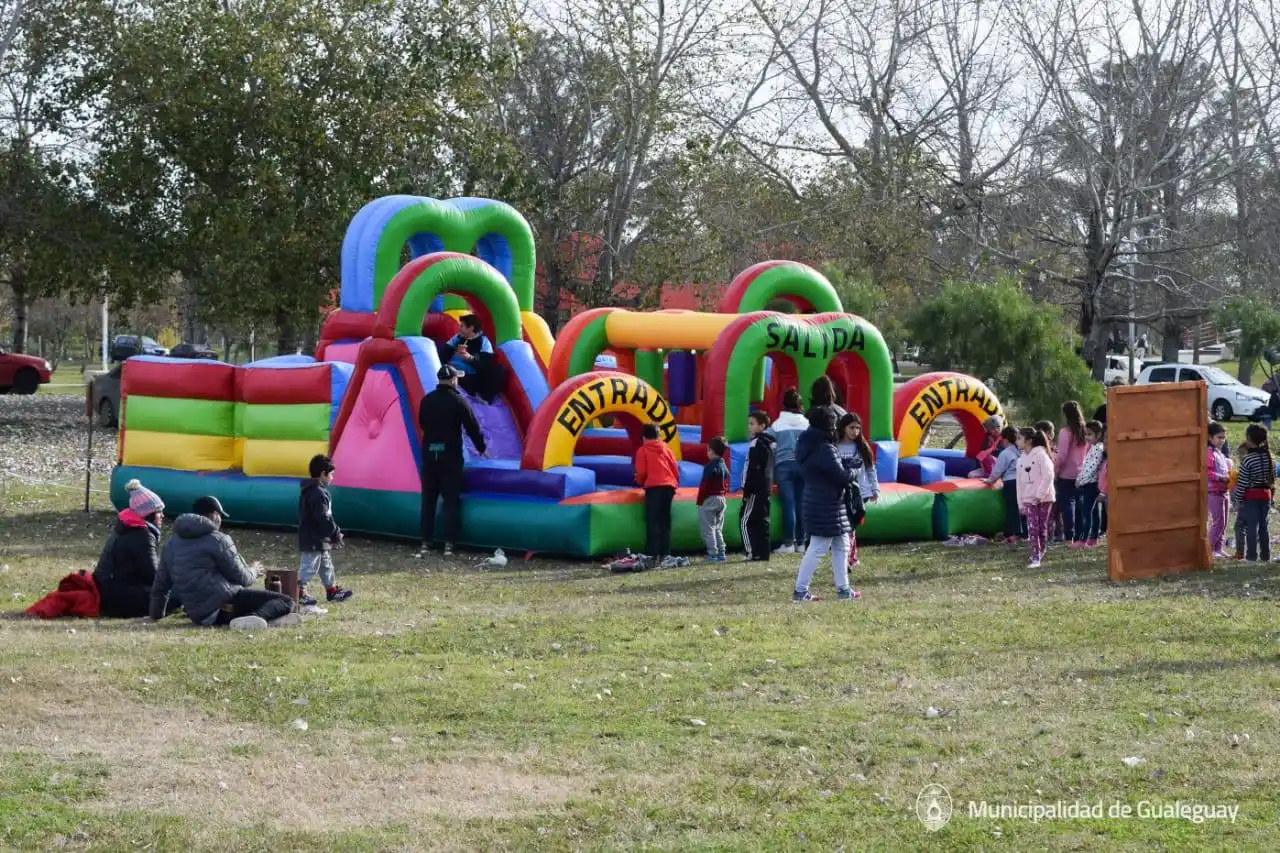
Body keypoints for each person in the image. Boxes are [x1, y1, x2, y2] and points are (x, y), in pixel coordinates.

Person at [149, 496, 299, 629]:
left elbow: (161, 586)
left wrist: (156, 615)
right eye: (220, 515)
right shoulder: (218, 539)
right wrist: (253, 570)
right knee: (285, 601)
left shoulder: (171, 543)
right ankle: (257, 618)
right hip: (223, 607)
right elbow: (243, 578)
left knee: (252, 601)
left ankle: (260, 619)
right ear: (214, 515)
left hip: (198, 615)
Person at [416, 364, 488, 558]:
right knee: (451, 500)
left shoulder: (427, 400)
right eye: (457, 378)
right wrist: (482, 449)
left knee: (428, 500)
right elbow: (472, 426)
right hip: (450, 458)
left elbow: (422, 423)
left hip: (430, 456)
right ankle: (449, 544)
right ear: (453, 380)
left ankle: (425, 542)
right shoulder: (458, 400)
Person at [793, 407, 860, 602]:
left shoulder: (807, 444)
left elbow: (828, 471)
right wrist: (855, 470)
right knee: (818, 547)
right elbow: (841, 477)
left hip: (819, 501)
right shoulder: (825, 448)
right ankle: (800, 590)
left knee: (842, 544)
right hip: (827, 504)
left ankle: (843, 589)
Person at [93, 480, 179, 618]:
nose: (162, 516)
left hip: (108, 592)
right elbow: (153, 575)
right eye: (159, 512)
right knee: (176, 595)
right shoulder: (142, 536)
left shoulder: (126, 528)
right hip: (118, 598)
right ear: (149, 514)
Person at [298, 455, 353, 605]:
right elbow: (324, 518)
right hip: (313, 538)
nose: (332, 478)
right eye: (331, 474)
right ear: (323, 474)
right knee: (309, 566)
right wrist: (336, 533)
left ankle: (332, 590)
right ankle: (299, 591)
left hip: (319, 538)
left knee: (325, 565)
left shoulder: (312, 490)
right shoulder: (318, 494)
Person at [768, 389, 809, 554]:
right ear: (800, 405)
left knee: (789, 504)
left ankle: (788, 543)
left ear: (783, 405)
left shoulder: (777, 425)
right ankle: (801, 542)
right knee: (801, 504)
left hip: (784, 466)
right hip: (803, 466)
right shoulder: (807, 424)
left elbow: (770, 446)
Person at [635, 422, 680, 566]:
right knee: (665, 520)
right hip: (669, 486)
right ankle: (665, 552)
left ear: (643, 437)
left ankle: (652, 552)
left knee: (652, 520)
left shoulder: (643, 450)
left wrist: (639, 481)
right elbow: (675, 467)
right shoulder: (666, 448)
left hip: (654, 487)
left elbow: (642, 472)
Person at [836, 412, 878, 569]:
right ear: (843, 428)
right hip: (841, 493)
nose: (855, 431)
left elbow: (870, 469)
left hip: (859, 494)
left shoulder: (862, 447)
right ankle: (847, 558)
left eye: (858, 428)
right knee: (847, 527)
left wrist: (875, 488)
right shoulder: (835, 446)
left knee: (852, 526)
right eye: (851, 427)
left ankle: (850, 557)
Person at [1231, 424, 1274, 562]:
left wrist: (1237, 500)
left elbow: (1243, 483)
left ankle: (1251, 557)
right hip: (1266, 495)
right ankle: (1266, 556)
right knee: (1264, 527)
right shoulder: (1270, 459)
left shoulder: (1248, 459)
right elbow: (1271, 480)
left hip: (1252, 497)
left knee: (1251, 527)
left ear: (1249, 438)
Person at [439, 314, 503, 402]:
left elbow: (485, 366)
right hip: (456, 374)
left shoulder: (483, 342)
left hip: (472, 377)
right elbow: (443, 354)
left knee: (498, 369)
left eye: (462, 326)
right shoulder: (457, 338)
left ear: (471, 328)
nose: (459, 329)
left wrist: (469, 358)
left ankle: (485, 398)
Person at [1017, 428, 1056, 570]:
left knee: (1041, 527)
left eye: (1019, 438)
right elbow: (1019, 483)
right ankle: (1035, 557)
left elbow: (1048, 476)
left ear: (1028, 441)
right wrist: (1021, 503)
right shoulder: (1020, 459)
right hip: (1028, 499)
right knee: (1032, 528)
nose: (1017, 441)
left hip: (1044, 498)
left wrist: (1039, 496)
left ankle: (1041, 551)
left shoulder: (1041, 455)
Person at [741, 411, 775, 561]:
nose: (749, 427)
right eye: (748, 423)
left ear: (762, 426)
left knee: (745, 519)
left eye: (752, 424)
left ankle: (751, 551)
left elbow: (754, 468)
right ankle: (763, 552)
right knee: (762, 519)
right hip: (765, 487)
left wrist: (747, 490)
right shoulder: (767, 443)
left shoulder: (756, 443)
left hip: (756, 488)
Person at [1054, 402, 1088, 543]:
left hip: (1066, 474)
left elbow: (1061, 456)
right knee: (1080, 504)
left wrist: (1055, 471)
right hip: (1082, 473)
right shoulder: (1085, 430)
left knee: (1068, 505)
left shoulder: (1065, 432)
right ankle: (1081, 534)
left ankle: (1069, 535)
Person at [984, 426, 1024, 543]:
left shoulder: (1005, 453)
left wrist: (989, 481)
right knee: (1021, 507)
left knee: (1012, 508)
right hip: (1023, 482)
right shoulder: (1021, 451)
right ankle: (1023, 532)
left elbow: (997, 471)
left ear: (1005, 439)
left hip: (1011, 482)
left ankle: (1013, 533)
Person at [1072, 420, 1106, 547]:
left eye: (1090, 434)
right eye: (1086, 434)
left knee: (1087, 512)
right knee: (1093, 512)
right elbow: (1086, 466)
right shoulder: (1093, 447)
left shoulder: (1098, 449)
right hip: (1089, 483)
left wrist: (1080, 480)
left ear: (1098, 435)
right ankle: (1093, 538)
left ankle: (1083, 539)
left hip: (1090, 484)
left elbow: (1091, 467)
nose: (1087, 437)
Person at [696, 436, 729, 562]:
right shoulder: (723, 465)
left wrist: (700, 501)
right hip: (721, 499)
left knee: (708, 528)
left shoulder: (710, 467)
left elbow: (704, 485)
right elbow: (726, 482)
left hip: (709, 499)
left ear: (711, 451)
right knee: (718, 528)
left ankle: (713, 554)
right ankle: (721, 552)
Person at [1206, 422, 1233, 558]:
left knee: (1224, 522)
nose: (1222, 440)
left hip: (1224, 492)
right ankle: (1209, 549)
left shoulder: (1220, 453)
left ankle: (1219, 548)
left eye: (1224, 437)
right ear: (1210, 438)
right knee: (1218, 522)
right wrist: (1222, 478)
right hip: (1214, 492)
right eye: (1219, 437)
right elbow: (1208, 472)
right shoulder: (1209, 453)